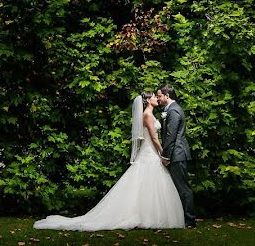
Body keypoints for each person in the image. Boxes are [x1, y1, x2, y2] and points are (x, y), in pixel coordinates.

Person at [33, 91, 184, 231]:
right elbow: (154, 138)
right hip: (150, 152)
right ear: (147, 101)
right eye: (153, 97)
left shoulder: (149, 114)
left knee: (147, 184)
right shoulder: (148, 115)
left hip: (149, 152)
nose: (156, 99)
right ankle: (148, 216)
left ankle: (148, 214)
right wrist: (163, 153)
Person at [157, 84, 196, 228]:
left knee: (183, 189)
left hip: (177, 155)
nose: (158, 98)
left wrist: (165, 157)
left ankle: (190, 221)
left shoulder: (173, 111)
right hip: (176, 154)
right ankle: (182, 218)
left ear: (167, 96)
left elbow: (171, 136)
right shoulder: (170, 110)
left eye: (160, 95)